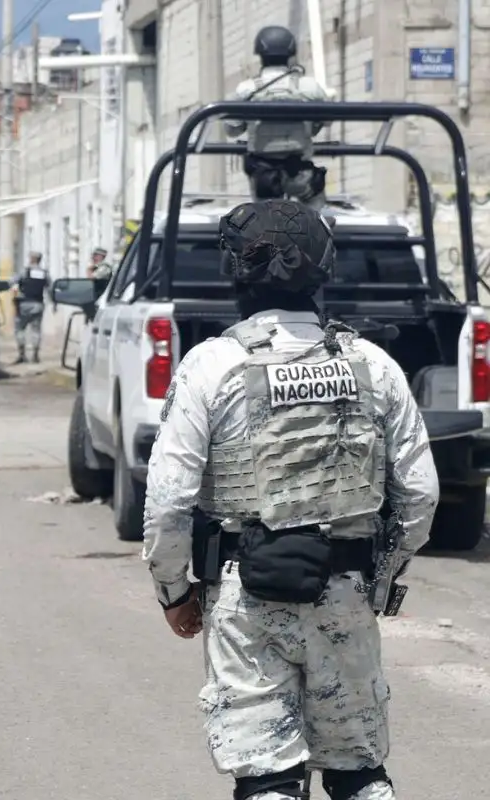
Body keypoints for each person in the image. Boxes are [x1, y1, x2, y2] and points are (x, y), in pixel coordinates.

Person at [143, 199, 438, 800]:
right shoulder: (373, 366)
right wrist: (378, 581)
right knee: (359, 772)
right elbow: (420, 496)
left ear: (236, 272)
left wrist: (175, 592)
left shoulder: (211, 366)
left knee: (270, 777)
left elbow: (169, 501)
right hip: (347, 592)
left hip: (246, 597)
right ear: (324, 271)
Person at [225, 26, 331, 210]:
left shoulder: (247, 89)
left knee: (265, 220)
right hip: (300, 175)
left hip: (263, 177)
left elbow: (231, 129)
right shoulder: (308, 87)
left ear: (259, 53)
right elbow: (327, 119)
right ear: (291, 52)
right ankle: (315, 231)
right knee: (316, 206)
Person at [11, 251, 50, 364]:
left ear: (31, 259)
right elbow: (50, 288)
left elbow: (12, 281)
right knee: (36, 330)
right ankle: (35, 355)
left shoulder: (25, 271)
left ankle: (22, 355)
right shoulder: (44, 273)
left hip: (24, 304)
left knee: (20, 329)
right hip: (38, 304)